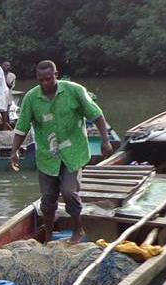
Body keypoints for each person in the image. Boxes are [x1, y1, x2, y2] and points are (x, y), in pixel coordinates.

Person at [10, 60, 114, 243]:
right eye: (41, 80)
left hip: (73, 152)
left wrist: (105, 140)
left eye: (49, 79)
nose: (45, 83)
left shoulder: (74, 91)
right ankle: (48, 235)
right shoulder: (31, 98)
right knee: (48, 200)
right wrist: (14, 151)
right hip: (47, 155)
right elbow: (21, 127)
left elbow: (96, 115)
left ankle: (78, 229)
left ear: (56, 75)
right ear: (37, 79)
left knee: (68, 191)